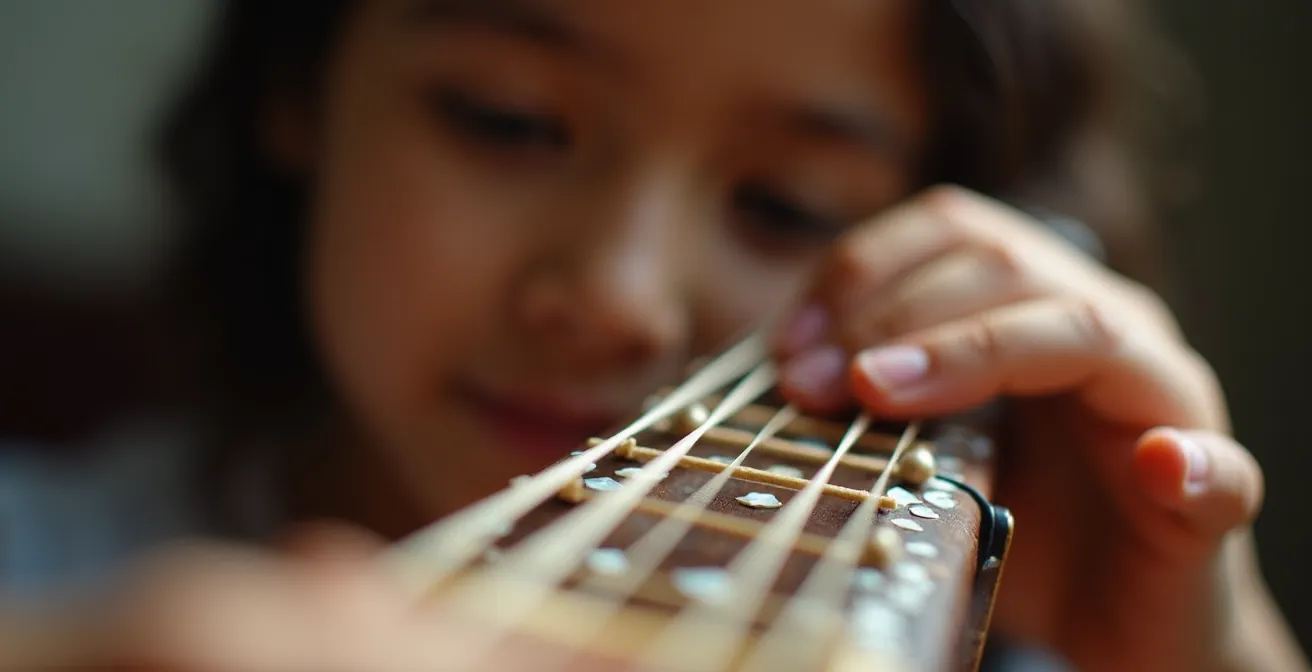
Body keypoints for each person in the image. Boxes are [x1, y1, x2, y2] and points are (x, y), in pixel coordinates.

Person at [0, 0, 1306, 670]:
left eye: (788, 204)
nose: (619, 295)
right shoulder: (40, 574)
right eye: (510, 119)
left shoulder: (1009, 639)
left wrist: (1203, 659)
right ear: (300, 84)